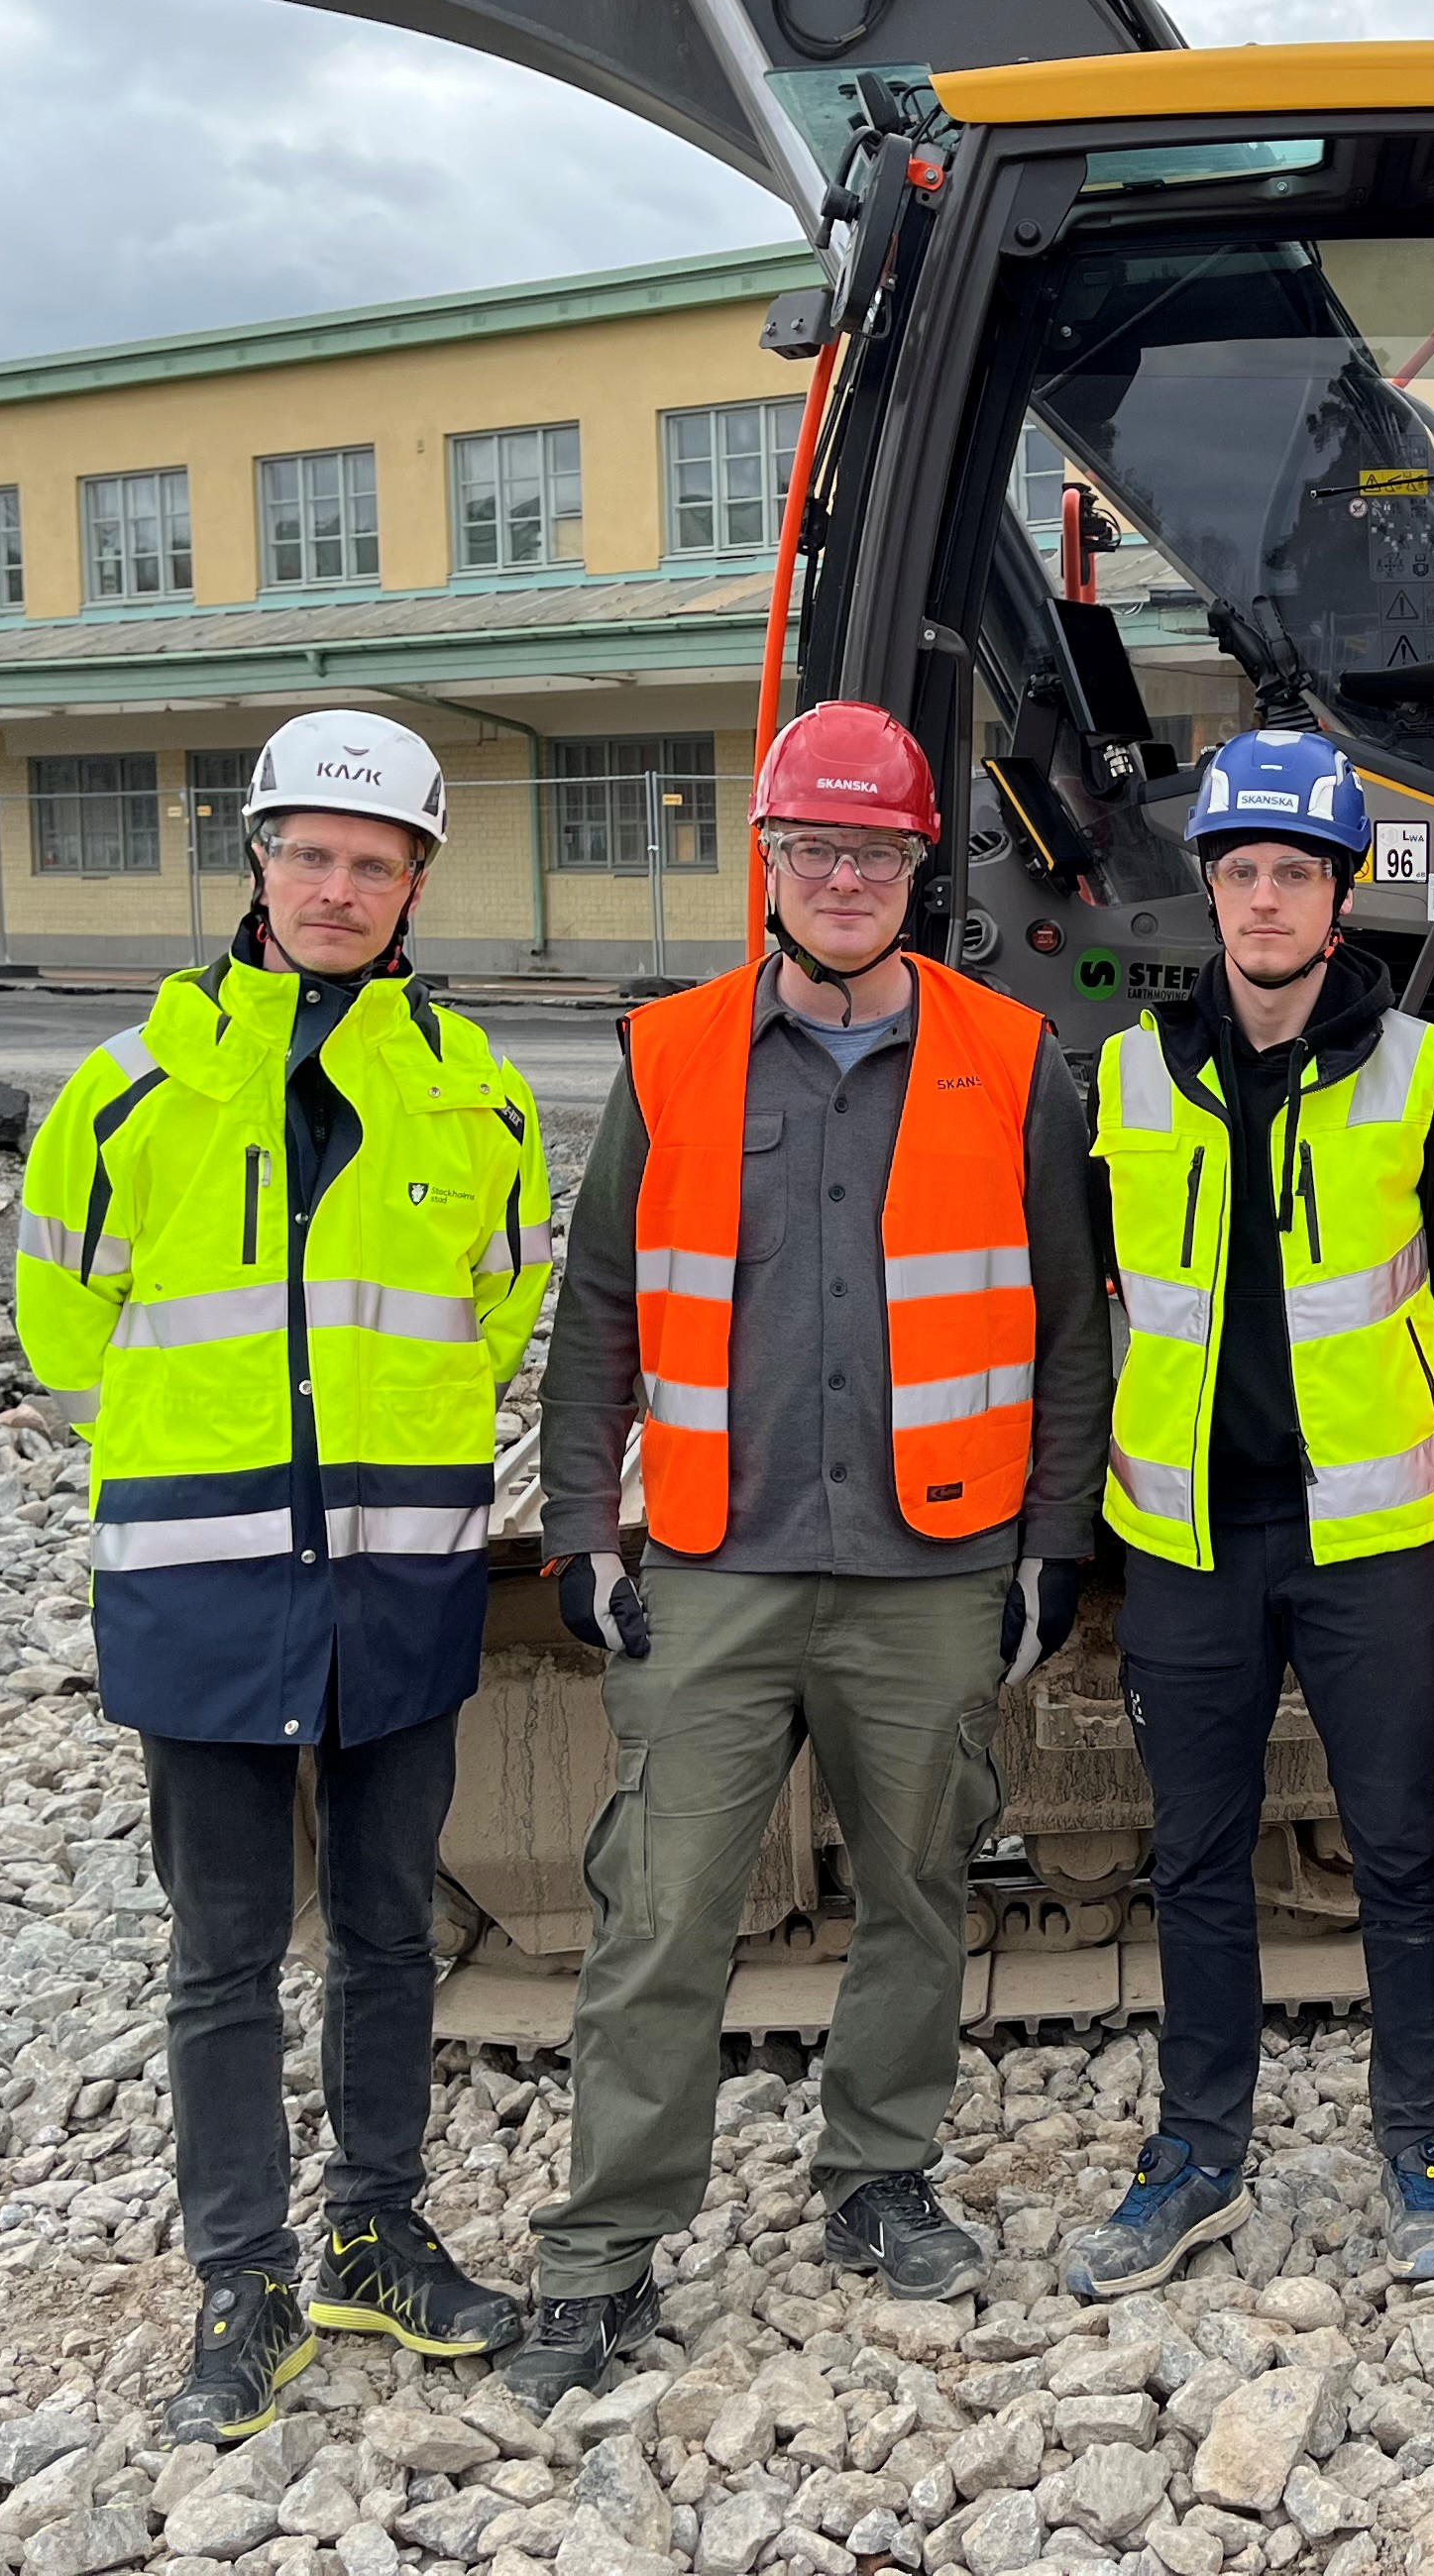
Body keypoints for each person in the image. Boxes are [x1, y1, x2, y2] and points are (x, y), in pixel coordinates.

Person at [509, 701, 1111, 2406]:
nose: (843, 876)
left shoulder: (1014, 1061)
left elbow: (1074, 1330)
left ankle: (879, 2177)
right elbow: (602, 1313)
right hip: (717, 1563)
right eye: (812, 848)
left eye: (876, 850)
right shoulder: (671, 1056)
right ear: (768, 865)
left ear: (922, 869)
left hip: (929, 1568)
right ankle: (605, 2247)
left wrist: (1050, 1541)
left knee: (918, 1889)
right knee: (661, 1907)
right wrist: (579, 1521)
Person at [14, 710, 553, 2445]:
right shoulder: (131, 1092)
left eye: (371, 861)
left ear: (415, 884)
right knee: (226, 1951)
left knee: (393, 1930)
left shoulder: (476, 1096)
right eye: (308, 854)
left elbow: (497, 1313)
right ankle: (240, 2278)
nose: (336, 888)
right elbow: (63, 1331)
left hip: (398, 1579)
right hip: (207, 1586)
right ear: (257, 862)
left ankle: (377, 2235)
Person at [1057, 731, 1434, 2295]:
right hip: (1189, 1537)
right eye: (1243, 870)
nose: (1266, 899)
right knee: (1193, 1856)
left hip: (1373, 1537)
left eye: (1296, 875)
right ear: (1213, 890)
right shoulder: (1126, 1071)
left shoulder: (1422, 1070)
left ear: (1339, 903)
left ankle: (1425, 2151)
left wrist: (1403, 1426)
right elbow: (1097, 1297)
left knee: (1399, 1846)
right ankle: (1197, 2156)